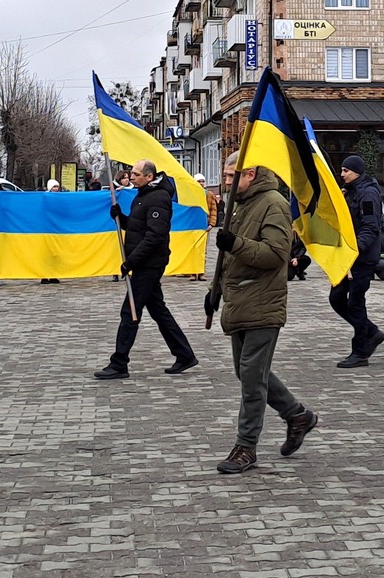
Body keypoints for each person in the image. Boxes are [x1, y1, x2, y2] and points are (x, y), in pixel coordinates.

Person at [210, 156, 317, 474]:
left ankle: (246, 447)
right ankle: (297, 415)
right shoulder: (239, 203)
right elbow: (230, 258)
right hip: (239, 300)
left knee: (252, 379)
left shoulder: (273, 203)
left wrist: (235, 243)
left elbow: (275, 255)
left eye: (231, 176)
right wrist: (215, 290)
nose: (227, 182)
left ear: (251, 174)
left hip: (263, 302)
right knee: (248, 373)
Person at [95, 160, 198, 379]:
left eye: (136, 174)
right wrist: (120, 217)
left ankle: (119, 363)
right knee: (158, 310)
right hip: (143, 262)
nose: (131, 177)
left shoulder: (159, 198)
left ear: (149, 177)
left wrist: (131, 261)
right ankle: (185, 354)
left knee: (130, 311)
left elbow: (155, 236)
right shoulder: (142, 195)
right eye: (131, 173)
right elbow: (137, 226)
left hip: (149, 264)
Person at [330, 155, 384, 367]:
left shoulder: (368, 194)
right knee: (336, 297)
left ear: (357, 172)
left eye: (346, 171)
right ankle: (371, 332)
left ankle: (360, 352)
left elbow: (370, 227)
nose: (342, 174)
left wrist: (355, 253)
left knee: (356, 302)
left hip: (361, 258)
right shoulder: (351, 191)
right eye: (342, 170)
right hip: (347, 256)